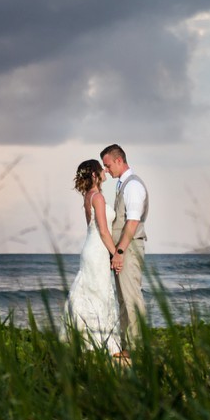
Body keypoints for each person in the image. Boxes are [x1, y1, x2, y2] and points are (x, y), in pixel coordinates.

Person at [64, 158, 123, 357]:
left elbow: (90, 226)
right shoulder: (97, 197)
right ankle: (105, 344)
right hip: (97, 250)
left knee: (92, 293)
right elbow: (104, 231)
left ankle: (88, 341)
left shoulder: (88, 196)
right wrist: (116, 254)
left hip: (90, 248)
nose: (106, 171)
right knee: (99, 294)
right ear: (96, 175)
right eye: (102, 169)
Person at [100, 144, 148, 349]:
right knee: (123, 299)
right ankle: (127, 346)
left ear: (119, 161)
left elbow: (133, 222)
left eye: (108, 165)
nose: (106, 170)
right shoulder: (123, 184)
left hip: (128, 249)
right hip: (123, 249)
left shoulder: (133, 186)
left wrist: (119, 251)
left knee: (132, 298)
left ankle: (139, 348)